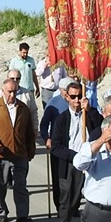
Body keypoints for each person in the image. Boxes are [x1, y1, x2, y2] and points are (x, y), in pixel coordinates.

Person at [52, 80, 103, 222]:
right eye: (73, 96)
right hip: (71, 163)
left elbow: (101, 128)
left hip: (91, 161)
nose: (76, 100)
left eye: (79, 96)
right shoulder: (62, 119)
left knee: (92, 199)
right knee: (69, 200)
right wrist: (75, 156)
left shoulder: (90, 114)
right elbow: (56, 147)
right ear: (67, 97)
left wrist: (90, 111)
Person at [0, 77, 36, 222]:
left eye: (14, 92)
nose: (12, 95)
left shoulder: (23, 108)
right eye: (9, 92)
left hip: (19, 154)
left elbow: (29, 132)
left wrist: (30, 150)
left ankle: (22, 216)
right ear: (3, 91)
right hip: (0, 154)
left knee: (20, 186)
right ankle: (1, 211)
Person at [40, 76, 72, 211]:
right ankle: (60, 205)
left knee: (73, 177)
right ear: (62, 90)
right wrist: (46, 139)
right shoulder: (53, 103)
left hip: (73, 144)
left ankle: (72, 205)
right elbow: (44, 124)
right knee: (59, 177)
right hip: (58, 145)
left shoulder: (78, 102)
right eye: (67, 90)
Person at [8, 43, 40, 108]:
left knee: (31, 108)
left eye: (27, 52)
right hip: (18, 89)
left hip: (30, 89)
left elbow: (33, 75)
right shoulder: (14, 61)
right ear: (19, 51)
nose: (25, 54)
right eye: (23, 52)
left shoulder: (31, 60)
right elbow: (9, 76)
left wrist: (37, 87)